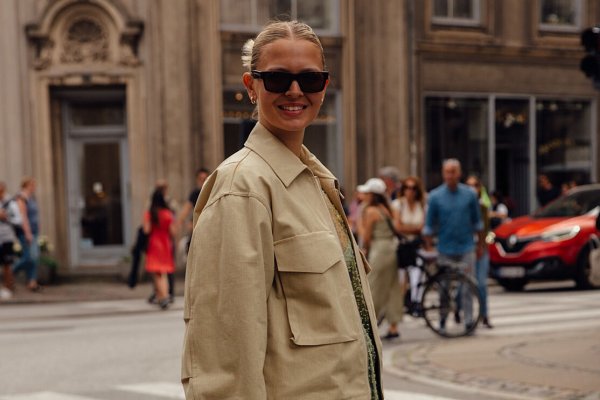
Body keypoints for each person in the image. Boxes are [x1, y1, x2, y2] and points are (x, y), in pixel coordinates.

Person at [182, 21, 382, 399]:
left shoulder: (316, 183)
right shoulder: (242, 187)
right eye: (276, 79)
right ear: (251, 86)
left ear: (324, 85)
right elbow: (224, 355)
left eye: (309, 79)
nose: (294, 91)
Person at [423, 159, 484, 332]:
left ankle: (468, 320)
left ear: (459, 173)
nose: (450, 175)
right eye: (447, 172)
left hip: (466, 247)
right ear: (443, 174)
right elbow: (428, 225)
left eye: (454, 171)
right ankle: (442, 319)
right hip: (444, 248)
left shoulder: (470, 194)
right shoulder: (435, 196)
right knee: (444, 287)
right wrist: (430, 247)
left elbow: (477, 222)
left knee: (467, 286)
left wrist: (480, 245)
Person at [359, 177, 404, 340]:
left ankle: (369, 322)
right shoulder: (386, 209)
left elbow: (366, 236)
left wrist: (359, 223)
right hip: (390, 248)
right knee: (392, 288)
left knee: (374, 286)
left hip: (379, 249)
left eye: (366, 193)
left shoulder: (370, 211)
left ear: (372, 195)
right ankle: (393, 325)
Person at [391, 176, 426, 315]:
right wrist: (414, 228)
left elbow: (422, 228)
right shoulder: (397, 204)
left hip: (416, 246)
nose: (410, 191)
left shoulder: (421, 205)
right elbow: (397, 227)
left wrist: (409, 228)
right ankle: (400, 308)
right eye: (406, 188)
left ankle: (415, 303)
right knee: (400, 279)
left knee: (417, 275)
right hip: (401, 245)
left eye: (413, 188)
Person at [466, 175, 493, 329]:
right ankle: (459, 310)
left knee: (482, 283)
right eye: (469, 185)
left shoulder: (483, 205)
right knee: (463, 285)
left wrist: (482, 246)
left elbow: (485, 227)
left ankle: (484, 315)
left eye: (475, 185)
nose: (472, 189)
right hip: (466, 247)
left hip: (480, 248)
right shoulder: (462, 205)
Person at [143, 186, 176, 310]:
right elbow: (172, 231)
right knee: (165, 272)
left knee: (157, 273)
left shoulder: (150, 214)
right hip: (165, 243)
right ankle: (164, 295)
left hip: (154, 243)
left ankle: (162, 297)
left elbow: (146, 230)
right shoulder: (167, 214)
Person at [12, 178, 41, 292]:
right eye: (32, 185)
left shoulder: (32, 198)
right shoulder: (21, 198)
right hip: (25, 232)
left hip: (33, 230)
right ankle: (10, 271)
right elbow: (23, 216)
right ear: (26, 185)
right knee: (30, 257)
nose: (34, 187)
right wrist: (27, 233)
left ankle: (32, 282)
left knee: (34, 257)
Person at [0, 181, 19, 297]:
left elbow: (17, 219)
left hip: (7, 237)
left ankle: (9, 287)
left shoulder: (11, 202)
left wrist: (6, 217)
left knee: (7, 263)